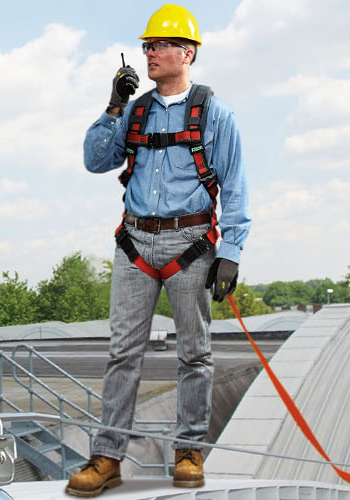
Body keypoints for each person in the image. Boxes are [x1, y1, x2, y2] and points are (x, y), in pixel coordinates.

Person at [64, 4, 250, 496]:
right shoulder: (135, 110)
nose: (151, 52)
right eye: (148, 45)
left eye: (162, 45)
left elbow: (234, 186)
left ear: (187, 53)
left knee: (195, 353)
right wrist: (111, 107)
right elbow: (95, 161)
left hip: (191, 246)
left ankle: (189, 449)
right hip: (135, 244)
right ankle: (108, 456)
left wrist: (230, 250)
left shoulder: (215, 113)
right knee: (122, 352)